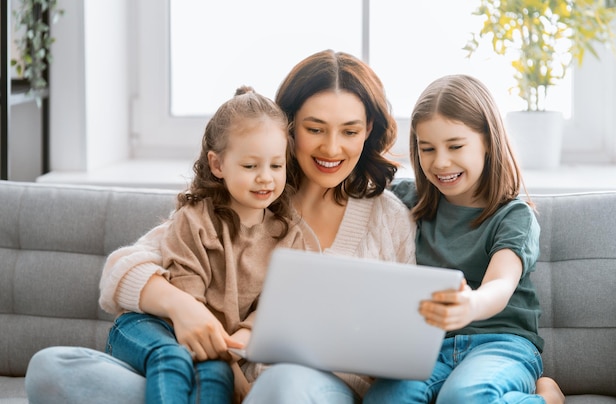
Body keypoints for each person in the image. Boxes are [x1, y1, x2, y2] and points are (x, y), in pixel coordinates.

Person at [24, 49, 416, 404]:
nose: (332, 149)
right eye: (315, 129)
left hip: (311, 390)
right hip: (205, 377)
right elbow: (123, 270)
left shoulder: (388, 218)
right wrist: (185, 310)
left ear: (369, 131)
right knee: (52, 369)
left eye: (349, 131)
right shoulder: (248, 197)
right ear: (289, 128)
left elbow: (403, 336)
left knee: (286, 387)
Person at [363, 74, 565, 404]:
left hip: (502, 343)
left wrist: (470, 304)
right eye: (427, 148)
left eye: (455, 146)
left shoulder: (513, 215)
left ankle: (547, 400)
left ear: (487, 140)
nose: (440, 162)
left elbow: (500, 285)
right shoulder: (407, 200)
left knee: (464, 397)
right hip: (427, 347)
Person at [103, 86, 309, 404]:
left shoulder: (289, 236)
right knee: (174, 359)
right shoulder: (194, 219)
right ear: (217, 165)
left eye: (276, 165)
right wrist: (234, 368)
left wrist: (231, 358)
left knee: (215, 374)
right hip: (152, 327)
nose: (266, 178)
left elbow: (271, 312)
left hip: (212, 347)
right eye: (250, 166)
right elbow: (190, 307)